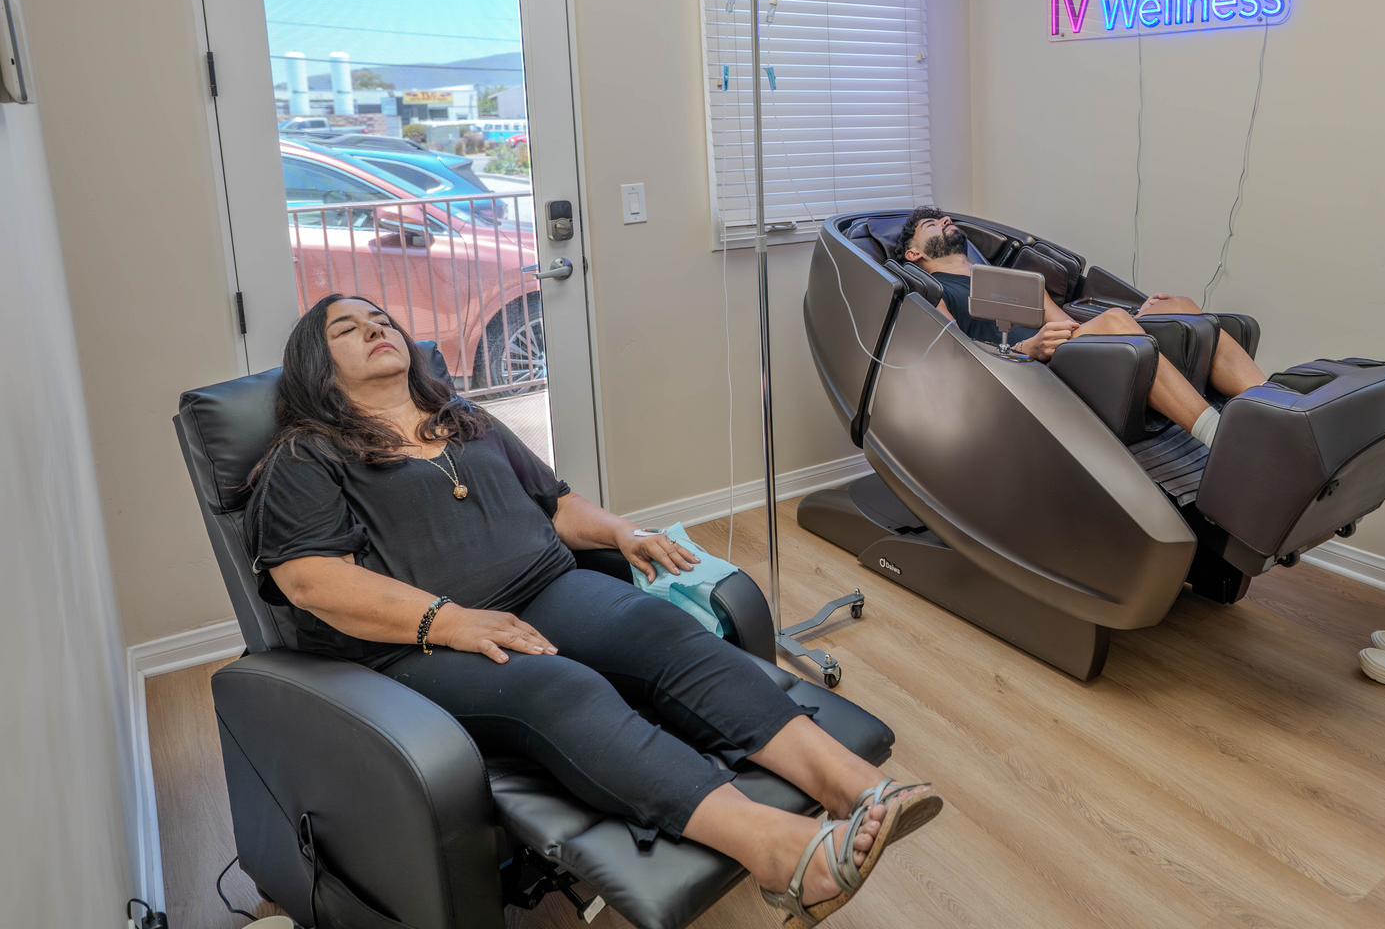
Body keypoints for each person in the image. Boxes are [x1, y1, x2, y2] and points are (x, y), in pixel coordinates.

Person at [247, 294, 940, 927]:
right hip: (422, 644)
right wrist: (451, 620)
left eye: (381, 319)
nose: (375, 329)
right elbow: (312, 581)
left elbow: (556, 504)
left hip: (546, 587)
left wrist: (622, 533)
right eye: (348, 328)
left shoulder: (466, 420)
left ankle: (858, 788)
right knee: (560, 688)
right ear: (316, 366)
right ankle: (780, 853)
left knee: (660, 629)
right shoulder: (307, 456)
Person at [890, 206, 1266, 445]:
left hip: (1066, 352)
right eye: (932, 224)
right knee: (1116, 321)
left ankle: (1273, 411)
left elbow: (1069, 326)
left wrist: (1141, 316)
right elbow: (956, 355)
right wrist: (1026, 348)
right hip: (1028, 372)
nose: (946, 221)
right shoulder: (936, 291)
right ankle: (1221, 439)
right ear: (914, 253)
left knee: (1177, 306)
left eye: (946, 219)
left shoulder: (1012, 280)